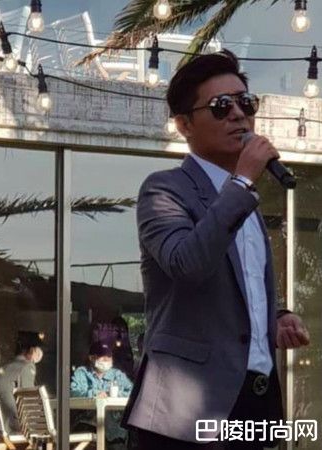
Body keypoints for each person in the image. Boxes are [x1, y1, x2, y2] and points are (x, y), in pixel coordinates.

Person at [122, 50, 310, 450]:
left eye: (246, 102)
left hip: (254, 401)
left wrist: (275, 318)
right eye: (221, 106)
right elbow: (187, 264)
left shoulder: (246, 202)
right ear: (184, 124)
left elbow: (237, 290)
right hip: (184, 410)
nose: (239, 115)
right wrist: (241, 183)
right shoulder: (164, 189)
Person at [71, 341, 133, 450]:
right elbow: (73, 393)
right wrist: (94, 394)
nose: (106, 360)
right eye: (103, 358)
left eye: (109, 357)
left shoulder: (117, 374)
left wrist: (114, 395)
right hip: (87, 422)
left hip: (114, 423)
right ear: (91, 358)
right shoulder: (82, 373)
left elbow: (132, 392)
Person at [0, 331, 44, 433]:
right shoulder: (27, 366)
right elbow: (29, 403)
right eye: (38, 350)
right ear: (32, 350)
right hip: (11, 427)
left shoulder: (4, 366)